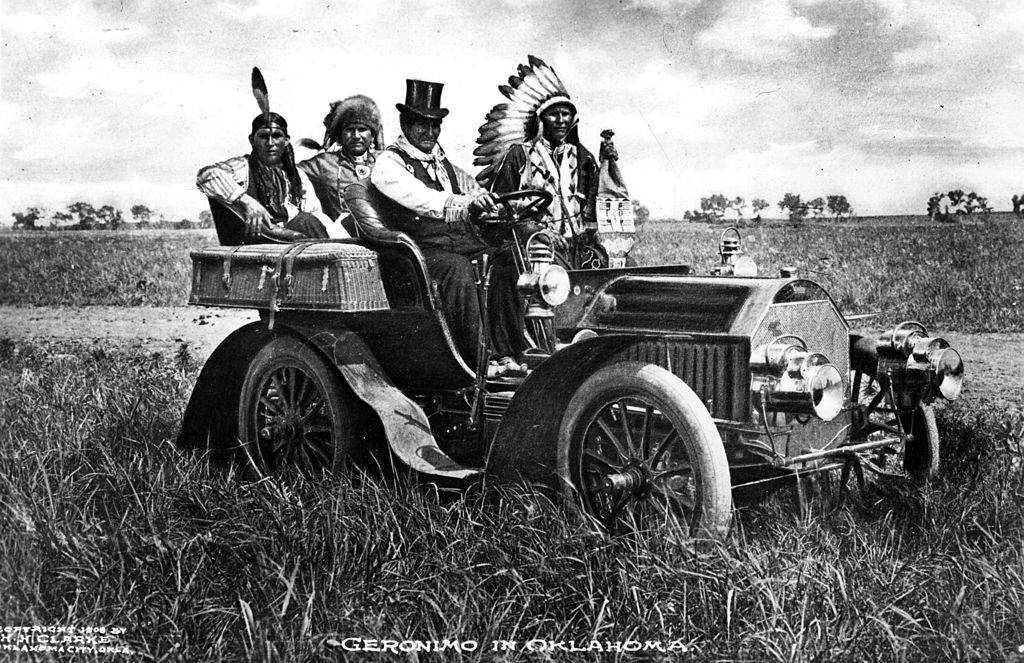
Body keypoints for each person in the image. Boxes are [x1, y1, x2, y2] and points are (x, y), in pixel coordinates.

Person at [369, 79, 527, 372]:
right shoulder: (389, 164)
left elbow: (471, 189)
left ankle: (508, 352)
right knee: (457, 269)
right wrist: (465, 204)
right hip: (414, 254)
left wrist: (490, 201)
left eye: (435, 126)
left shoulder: (443, 163)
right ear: (405, 124)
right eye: (422, 125)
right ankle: (478, 361)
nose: (430, 132)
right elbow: (420, 197)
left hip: (455, 245)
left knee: (506, 260)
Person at [476, 56, 605, 270]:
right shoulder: (520, 155)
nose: (561, 120)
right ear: (541, 120)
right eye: (554, 114)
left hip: (579, 248)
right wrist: (535, 231)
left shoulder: (584, 159)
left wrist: (609, 164)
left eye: (566, 114)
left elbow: (596, 207)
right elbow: (500, 210)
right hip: (536, 247)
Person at [196, 68, 346, 245]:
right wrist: (246, 201)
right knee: (307, 222)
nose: (270, 142)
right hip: (260, 240)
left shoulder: (297, 175)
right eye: (263, 136)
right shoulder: (241, 167)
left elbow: (314, 212)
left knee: (318, 222)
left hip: (295, 238)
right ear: (252, 140)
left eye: (276, 136)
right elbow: (206, 175)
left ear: (286, 140)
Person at [299, 95, 384, 233]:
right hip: (343, 236)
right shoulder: (324, 163)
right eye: (350, 129)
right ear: (340, 135)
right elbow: (289, 171)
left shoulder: (385, 161)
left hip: (384, 233)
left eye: (362, 129)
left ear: (372, 135)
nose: (356, 135)